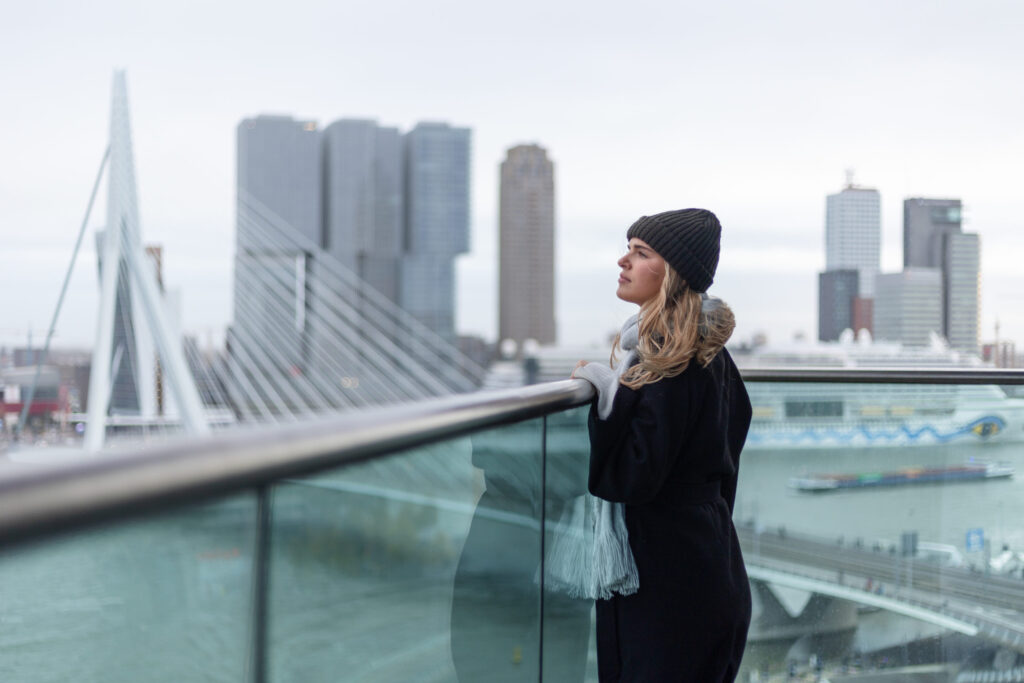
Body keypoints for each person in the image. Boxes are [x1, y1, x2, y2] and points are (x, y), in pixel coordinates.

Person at [572, 208, 752, 682]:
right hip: (708, 563)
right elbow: (728, 455)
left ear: (672, 273)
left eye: (640, 252)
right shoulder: (709, 352)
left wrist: (608, 395)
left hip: (667, 586)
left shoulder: (669, 358)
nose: (622, 262)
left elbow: (630, 477)